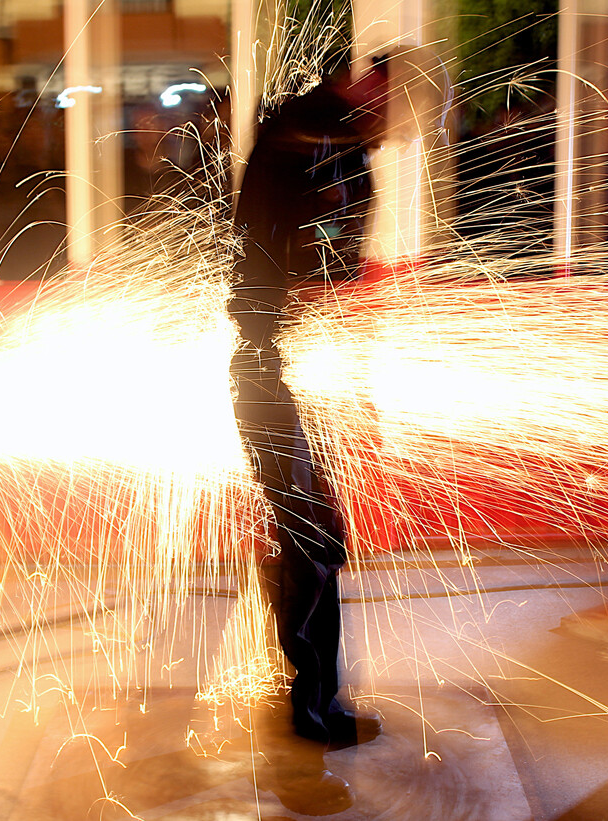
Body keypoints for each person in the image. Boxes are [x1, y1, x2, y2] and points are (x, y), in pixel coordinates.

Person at [229, 54, 391, 804]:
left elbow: (323, 263)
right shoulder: (306, 136)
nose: (393, 133)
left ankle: (315, 698)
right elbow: (294, 256)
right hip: (272, 371)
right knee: (310, 536)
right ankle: (308, 706)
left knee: (315, 535)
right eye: (393, 113)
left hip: (294, 365)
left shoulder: (322, 137)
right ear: (370, 87)